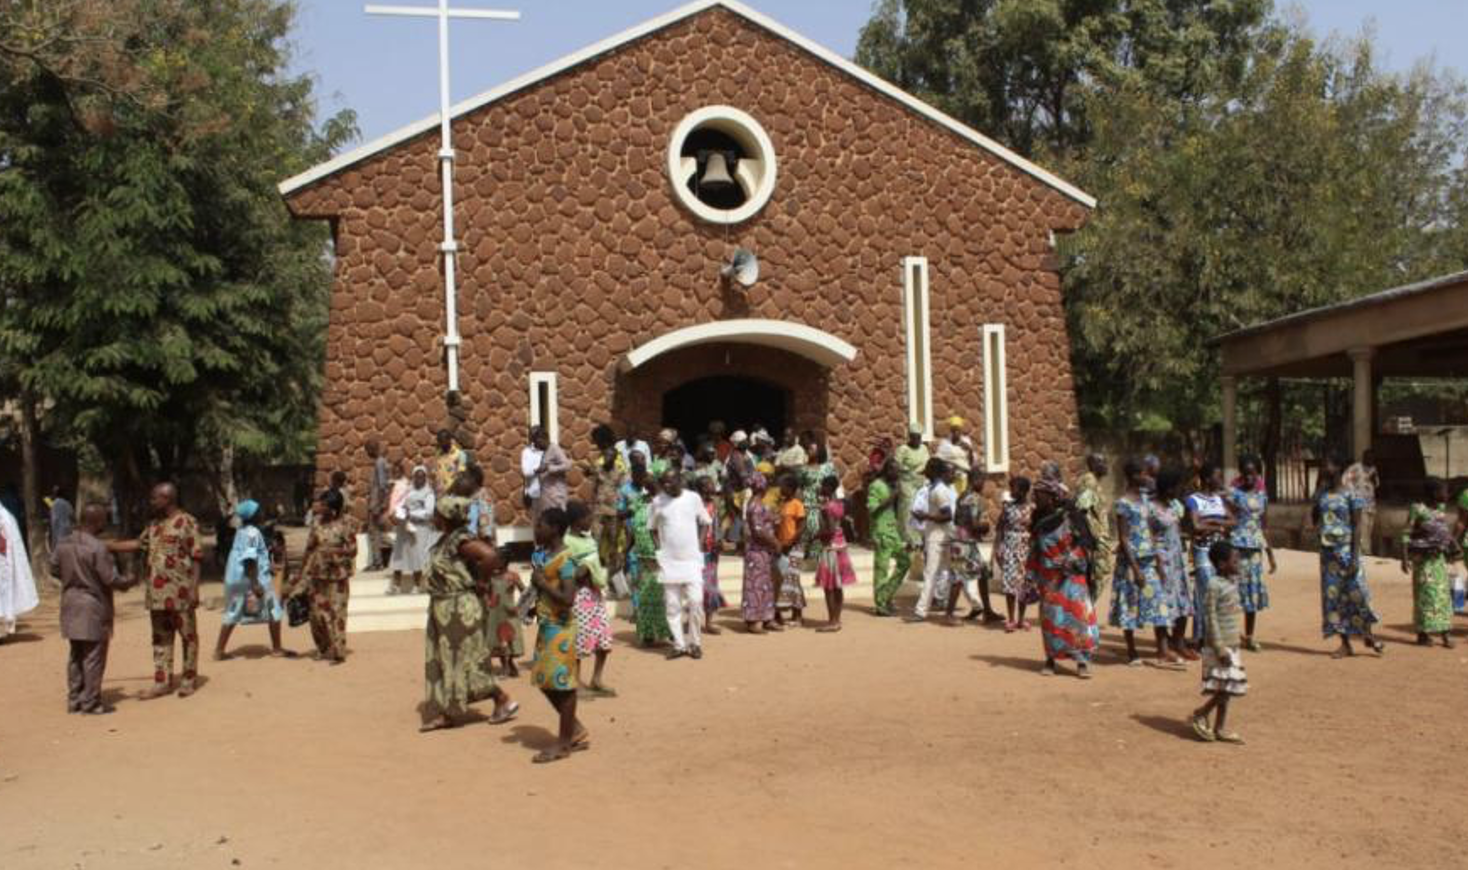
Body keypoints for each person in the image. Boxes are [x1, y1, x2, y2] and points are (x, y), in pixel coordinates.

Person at [420, 495, 519, 732]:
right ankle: (475, 706)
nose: (433, 517)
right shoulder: (448, 539)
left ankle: (497, 700)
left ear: (445, 517)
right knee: (452, 660)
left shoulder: (460, 539)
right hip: (445, 608)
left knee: (462, 661)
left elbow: (490, 556)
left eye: (437, 514)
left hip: (458, 608)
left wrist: (482, 581)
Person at [111, 484, 203, 698]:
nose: (151, 502)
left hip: (180, 591)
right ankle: (162, 682)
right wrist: (104, 546)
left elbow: (197, 556)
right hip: (157, 594)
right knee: (160, 638)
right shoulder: (154, 525)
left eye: (154, 499)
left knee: (188, 636)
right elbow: (137, 544)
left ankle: (189, 679)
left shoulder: (187, 522)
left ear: (167, 498)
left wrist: (194, 588)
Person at [52, 503, 135, 713]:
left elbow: (54, 568)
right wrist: (129, 581)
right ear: (97, 521)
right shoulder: (97, 547)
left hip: (70, 603)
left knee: (76, 654)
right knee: (93, 656)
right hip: (93, 605)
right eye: (104, 519)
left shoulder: (63, 543)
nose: (105, 523)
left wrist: (72, 578)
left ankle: (74, 699)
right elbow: (110, 578)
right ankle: (91, 702)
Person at [528, 507, 590, 763]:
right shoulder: (546, 556)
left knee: (563, 686)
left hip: (561, 629)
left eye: (540, 525)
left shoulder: (565, 560)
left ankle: (564, 743)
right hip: (548, 626)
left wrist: (542, 584)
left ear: (554, 528)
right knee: (546, 681)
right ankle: (574, 730)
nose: (536, 529)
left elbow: (567, 598)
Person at [1313, 456, 1384, 659]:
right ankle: (1345, 644)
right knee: (1334, 598)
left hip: (1347, 551)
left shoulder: (1352, 494)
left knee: (1358, 593)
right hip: (1328, 555)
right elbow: (1314, 518)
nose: (1324, 467)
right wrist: (1317, 493)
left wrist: (1354, 557)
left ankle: (1368, 634)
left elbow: (1357, 526)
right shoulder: (1322, 495)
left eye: (1328, 463)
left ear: (1338, 468)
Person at [1111, 459, 1179, 668]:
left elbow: (1149, 529)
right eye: (1143, 473)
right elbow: (1123, 538)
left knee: (1159, 604)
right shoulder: (1122, 503)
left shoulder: (1144, 500)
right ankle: (1131, 650)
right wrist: (1135, 569)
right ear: (1133, 476)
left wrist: (1157, 560)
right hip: (1131, 562)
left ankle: (1163, 651)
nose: (1147, 478)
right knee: (1130, 606)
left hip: (1149, 559)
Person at [1028, 477, 1098, 678]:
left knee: (1078, 619)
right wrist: (1030, 574)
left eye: (1039, 495)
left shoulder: (1072, 517)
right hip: (1048, 579)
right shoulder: (1039, 521)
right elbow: (1035, 550)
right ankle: (1051, 659)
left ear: (1052, 497)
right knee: (1051, 620)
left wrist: (1069, 560)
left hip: (1072, 578)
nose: (1035, 498)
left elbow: (1086, 544)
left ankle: (1082, 661)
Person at [1190, 541, 1248, 745]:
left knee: (1227, 688)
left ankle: (1220, 728)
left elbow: (1229, 615)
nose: (1238, 563)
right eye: (1235, 560)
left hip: (1231, 644)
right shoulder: (1214, 586)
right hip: (1219, 646)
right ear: (1222, 564)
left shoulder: (1231, 583)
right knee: (1226, 687)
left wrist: (1240, 636)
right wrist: (1219, 647)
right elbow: (1211, 618)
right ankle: (1200, 713)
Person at [650, 470, 712, 660]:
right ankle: (679, 644)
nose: (667, 486)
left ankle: (695, 643)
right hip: (669, 562)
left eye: (670, 482)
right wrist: (659, 550)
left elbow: (705, 522)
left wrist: (700, 544)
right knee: (672, 605)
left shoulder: (693, 498)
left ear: (679, 480)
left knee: (695, 601)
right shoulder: (657, 502)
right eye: (664, 483)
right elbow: (651, 528)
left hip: (691, 559)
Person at [214, 499, 285, 661]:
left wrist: (267, 566)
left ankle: (219, 650)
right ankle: (277, 648)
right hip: (249, 579)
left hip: (237, 578)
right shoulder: (252, 533)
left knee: (232, 613)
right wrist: (254, 583)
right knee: (274, 610)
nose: (262, 513)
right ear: (253, 515)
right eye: (258, 511)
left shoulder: (242, 530)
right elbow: (249, 559)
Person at [301, 489, 357, 664]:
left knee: (337, 613)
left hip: (338, 577)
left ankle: (339, 651)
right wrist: (301, 572)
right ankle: (323, 647)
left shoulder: (346, 524)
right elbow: (309, 548)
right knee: (316, 614)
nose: (319, 506)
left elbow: (353, 550)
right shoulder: (316, 523)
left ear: (333, 508)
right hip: (317, 575)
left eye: (323, 504)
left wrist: (335, 552)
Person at [565, 501, 615, 694]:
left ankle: (596, 679)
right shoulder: (567, 542)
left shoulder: (589, 540)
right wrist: (585, 566)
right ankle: (575, 683)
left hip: (595, 595)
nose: (591, 520)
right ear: (577, 521)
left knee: (603, 638)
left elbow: (597, 561)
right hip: (580, 596)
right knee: (579, 640)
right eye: (587, 517)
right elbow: (570, 571)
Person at [1401, 478, 1456, 648]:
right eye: (1444, 492)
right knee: (1426, 596)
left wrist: (1452, 546)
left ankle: (1445, 632)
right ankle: (1423, 634)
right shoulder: (1417, 509)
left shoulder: (1440, 509)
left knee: (1443, 596)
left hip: (1438, 560)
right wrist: (1404, 558)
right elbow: (1406, 533)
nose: (1447, 495)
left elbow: (1443, 531)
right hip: (1422, 560)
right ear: (1434, 493)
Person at [1228, 456, 1276, 651]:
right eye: (1245, 473)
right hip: (1236, 548)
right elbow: (1227, 521)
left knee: (1252, 595)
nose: (1249, 477)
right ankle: (1230, 634)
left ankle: (1249, 636)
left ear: (1258, 474)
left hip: (1255, 551)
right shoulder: (1233, 495)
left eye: (1253, 473)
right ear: (1241, 473)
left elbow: (1263, 527)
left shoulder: (1262, 496)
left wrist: (1271, 554)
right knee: (1232, 592)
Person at [1185, 463, 1235, 648]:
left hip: (1220, 554)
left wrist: (1212, 521)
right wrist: (1220, 524)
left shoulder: (1219, 499)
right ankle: (1205, 637)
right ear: (1207, 479)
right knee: (1205, 594)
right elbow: (1196, 526)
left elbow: (1233, 520)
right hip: (1203, 552)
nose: (1221, 480)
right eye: (1218, 476)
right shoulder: (1193, 499)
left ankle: (1206, 636)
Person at [1150, 469, 1197, 661]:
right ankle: (1162, 647)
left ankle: (1178, 642)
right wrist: (1157, 563)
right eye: (1175, 487)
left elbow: (1177, 530)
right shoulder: (1151, 509)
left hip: (1177, 559)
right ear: (1167, 488)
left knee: (1183, 601)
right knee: (1162, 603)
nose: (1178, 490)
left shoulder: (1176, 506)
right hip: (1161, 560)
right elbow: (1149, 537)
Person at [621, 463, 670, 647]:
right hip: (641, 555)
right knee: (644, 596)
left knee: (659, 595)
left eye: (649, 476)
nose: (645, 479)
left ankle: (663, 633)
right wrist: (625, 550)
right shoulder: (640, 501)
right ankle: (647, 633)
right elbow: (633, 529)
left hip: (661, 556)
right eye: (644, 477)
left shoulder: (666, 502)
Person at [906, 459, 956, 623]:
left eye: (927, 469)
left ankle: (921, 611)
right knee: (951, 572)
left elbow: (947, 515)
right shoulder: (934, 489)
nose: (924, 472)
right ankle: (976, 605)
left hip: (938, 537)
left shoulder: (939, 491)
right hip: (939, 536)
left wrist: (925, 516)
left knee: (932, 574)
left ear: (933, 472)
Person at [943, 466, 995, 623]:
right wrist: (986, 527)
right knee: (958, 578)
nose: (983, 485)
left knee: (982, 573)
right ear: (976, 480)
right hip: (964, 543)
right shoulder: (974, 498)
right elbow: (973, 524)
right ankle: (949, 615)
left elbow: (958, 520)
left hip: (961, 541)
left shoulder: (961, 496)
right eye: (983, 481)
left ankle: (987, 611)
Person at [812, 475, 857, 632]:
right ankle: (837, 619)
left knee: (829, 587)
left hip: (830, 548)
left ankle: (832, 621)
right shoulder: (839, 505)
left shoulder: (827, 507)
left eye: (823, 485)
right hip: (841, 546)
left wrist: (816, 536)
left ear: (828, 488)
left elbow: (830, 529)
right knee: (837, 586)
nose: (821, 488)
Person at [867, 459, 912, 617]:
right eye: (895, 471)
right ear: (887, 470)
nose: (898, 474)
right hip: (881, 532)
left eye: (899, 471)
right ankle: (880, 605)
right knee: (882, 570)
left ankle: (886, 595)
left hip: (893, 531)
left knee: (906, 561)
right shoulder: (876, 486)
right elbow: (872, 510)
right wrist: (891, 498)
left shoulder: (894, 485)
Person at [993, 474, 1034, 632]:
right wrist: (997, 548)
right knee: (1010, 584)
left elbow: (1035, 529)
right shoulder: (1007, 507)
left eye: (1014, 488)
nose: (1011, 491)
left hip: (1026, 549)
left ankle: (1021, 620)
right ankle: (1011, 619)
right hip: (1009, 548)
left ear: (1024, 491)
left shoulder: (1032, 508)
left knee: (1024, 586)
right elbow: (999, 529)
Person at [741, 473, 780, 633]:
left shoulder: (758, 504)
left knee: (765, 584)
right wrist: (775, 542)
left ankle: (766, 617)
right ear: (762, 487)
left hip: (763, 552)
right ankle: (754, 621)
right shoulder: (754, 506)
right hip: (757, 552)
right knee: (756, 585)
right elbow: (758, 531)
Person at [388, 466, 435, 595]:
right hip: (404, 526)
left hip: (419, 528)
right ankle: (396, 585)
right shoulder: (408, 490)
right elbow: (400, 503)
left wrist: (412, 514)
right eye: (417, 476)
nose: (419, 479)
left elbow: (429, 512)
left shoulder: (428, 493)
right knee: (399, 554)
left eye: (422, 476)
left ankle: (417, 584)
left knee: (417, 556)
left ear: (425, 478)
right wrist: (398, 512)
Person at [1074, 454, 1114, 603]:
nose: (1105, 464)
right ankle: (1086, 611)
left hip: (1098, 538)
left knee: (1097, 576)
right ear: (1092, 464)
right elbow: (1081, 509)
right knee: (1099, 575)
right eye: (1101, 461)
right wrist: (1090, 538)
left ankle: (1087, 610)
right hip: (1095, 539)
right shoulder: (1089, 482)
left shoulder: (1093, 482)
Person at [587, 424, 627, 570]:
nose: (594, 443)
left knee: (614, 540)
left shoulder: (617, 461)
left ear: (602, 441)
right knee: (597, 539)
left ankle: (614, 571)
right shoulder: (601, 459)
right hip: (599, 507)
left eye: (596, 440)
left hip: (613, 508)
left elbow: (623, 488)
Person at [0, 500, 39, 641]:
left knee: (4, 596)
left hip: (3, 562)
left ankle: (5, 630)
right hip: (4, 562)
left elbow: (4, 542)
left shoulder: (5, 516)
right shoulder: (7, 516)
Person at [773, 472, 808, 627]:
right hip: (782, 547)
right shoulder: (782, 503)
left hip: (794, 547)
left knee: (793, 580)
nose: (780, 489)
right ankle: (786, 612)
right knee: (785, 579)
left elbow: (802, 526)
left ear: (791, 488)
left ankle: (798, 615)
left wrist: (790, 542)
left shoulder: (797, 504)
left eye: (783, 486)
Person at [696, 476, 726, 635]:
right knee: (697, 587)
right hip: (697, 551)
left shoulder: (714, 505)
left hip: (711, 551)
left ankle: (709, 622)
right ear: (702, 488)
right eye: (709, 484)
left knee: (711, 587)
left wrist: (719, 541)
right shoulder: (694, 505)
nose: (713, 487)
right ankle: (695, 622)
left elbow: (717, 526)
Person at [894, 425, 929, 549]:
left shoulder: (924, 448)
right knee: (907, 508)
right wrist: (908, 470)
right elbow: (896, 465)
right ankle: (905, 536)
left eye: (919, 437)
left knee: (920, 508)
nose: (917, 439)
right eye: (914, 437)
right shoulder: (903, 449)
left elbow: (927, 463)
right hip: (907, 482)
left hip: (921, 482)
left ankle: (918, 537)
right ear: (910, 437)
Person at [1342, 449, 1380, 556]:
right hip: (1359, 504)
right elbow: (1345, 480)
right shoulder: (1356, 468)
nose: (1371, 459)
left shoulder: (1373, 469)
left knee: (1369, 529)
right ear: (1364, 457)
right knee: (1362, 528)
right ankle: (1365, 553)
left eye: (1373, 458)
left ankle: (1365, 551)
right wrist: (1353, 493)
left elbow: (1377, 484)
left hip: (1371, 505)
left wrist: (1373, 479)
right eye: (1369, 457)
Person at [532, 426, 571, 521]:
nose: (535, 445)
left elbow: (567, 465)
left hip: (556, 496)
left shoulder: (555, 449)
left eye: (536, 441)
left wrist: (549, 468)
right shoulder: (546, 452)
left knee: (557, 523)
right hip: (547, 497)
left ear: (542, 439)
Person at [365, 440, 391, 570]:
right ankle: (378, 561)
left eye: (367, 450)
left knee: (374, 532)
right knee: (377, 533)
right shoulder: (381, 462)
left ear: (371, 449)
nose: (367, 453)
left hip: (376, 503)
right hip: (376, 502)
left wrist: (379, 505)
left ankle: (377, 562)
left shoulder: (379, 463)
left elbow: (382, 486)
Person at [934, 417, 975, 495]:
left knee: (963, 500)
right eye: (954, 430)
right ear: (951, 431)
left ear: (961, 431)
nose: (956, 432)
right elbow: (938, 459)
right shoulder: (945, 444)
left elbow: (971, 462)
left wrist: (970, 450)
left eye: (958, 430)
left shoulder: (966, 442)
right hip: (950, 479)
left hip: (964, 478)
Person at [433, 428, 470, 495]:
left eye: (443, 440)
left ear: (449, 440)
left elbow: (461, 476)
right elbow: (436, 472)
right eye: (439, 441)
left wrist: (449, 491)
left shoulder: (460, 455)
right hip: (439, 493)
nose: (440, 443)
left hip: (453, 494)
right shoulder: (438, 454)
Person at [520, 427, 545, 514]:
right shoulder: (527, 452)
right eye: (533, 436)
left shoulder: (548, 450)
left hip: (549, 493)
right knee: (537, 523)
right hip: (534, 494)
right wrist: (538, 469)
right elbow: (526, 472)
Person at [48, 486, 75, 554]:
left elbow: (52, 517)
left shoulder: (53, 504)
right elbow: (72, 516)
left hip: (56, 530)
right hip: (66, 531)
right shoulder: (67, 503)